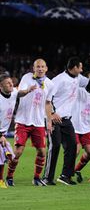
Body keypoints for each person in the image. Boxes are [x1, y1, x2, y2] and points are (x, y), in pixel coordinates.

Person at [43, 57, 90, 186]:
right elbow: (47, 99)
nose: (82, 69)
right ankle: (47, 178)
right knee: (54, 146)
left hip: (67, 119)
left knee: (72, 146)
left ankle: (65, 176)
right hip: (54, 118)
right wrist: (51, 113)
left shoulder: (77, 78)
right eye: (80, 67)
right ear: (74, 68)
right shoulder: (59, 80)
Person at [6, 59, 53, 187]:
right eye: (38, 66)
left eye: (43, 66)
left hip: (38, 122)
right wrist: (28, 90)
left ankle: (36, 178)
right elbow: (18, 95)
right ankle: (9, 177)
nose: (40, 69)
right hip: (23, 120)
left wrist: (49, 121)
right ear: (33, 68)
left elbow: (48, 103)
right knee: (18, 151)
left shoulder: (50, 84)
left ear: (46, 68)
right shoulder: (26, 78)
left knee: (42, 152)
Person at [0, 72, 36, 188]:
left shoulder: (13, 92)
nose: (11, 85)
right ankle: (0, 181)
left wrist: (28, 90)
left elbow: (19, 93)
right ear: (1, 87)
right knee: (2, 156)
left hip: (2, 133)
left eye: (11, 82)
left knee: (7, 156)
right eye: (8, 83)